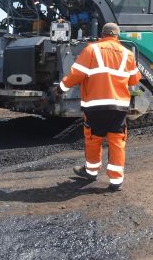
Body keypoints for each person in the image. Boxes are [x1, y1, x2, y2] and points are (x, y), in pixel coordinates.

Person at [57, 22, 141, 191]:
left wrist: (61, 89)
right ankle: (116, 181)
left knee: (93, 139)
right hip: (118, 106)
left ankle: (91, 171)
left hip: (94, 105)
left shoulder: (91, 49)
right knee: (117, 140)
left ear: (102, 34)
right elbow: (134, 80)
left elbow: (76, 74)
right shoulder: (127, 54)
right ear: (117, 36)